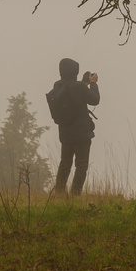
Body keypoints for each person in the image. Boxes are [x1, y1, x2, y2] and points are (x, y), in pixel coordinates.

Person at [46, 57, 100, 195]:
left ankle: (59, 193)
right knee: (81, 165)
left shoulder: (57, 86)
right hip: (81, 134)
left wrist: (83, 83)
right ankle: (75, 195)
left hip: (65, 133)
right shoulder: (78, 87)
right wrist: (93, 84)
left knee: (65, 164)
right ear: (74, 71)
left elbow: (72, 90)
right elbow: (95, 100)